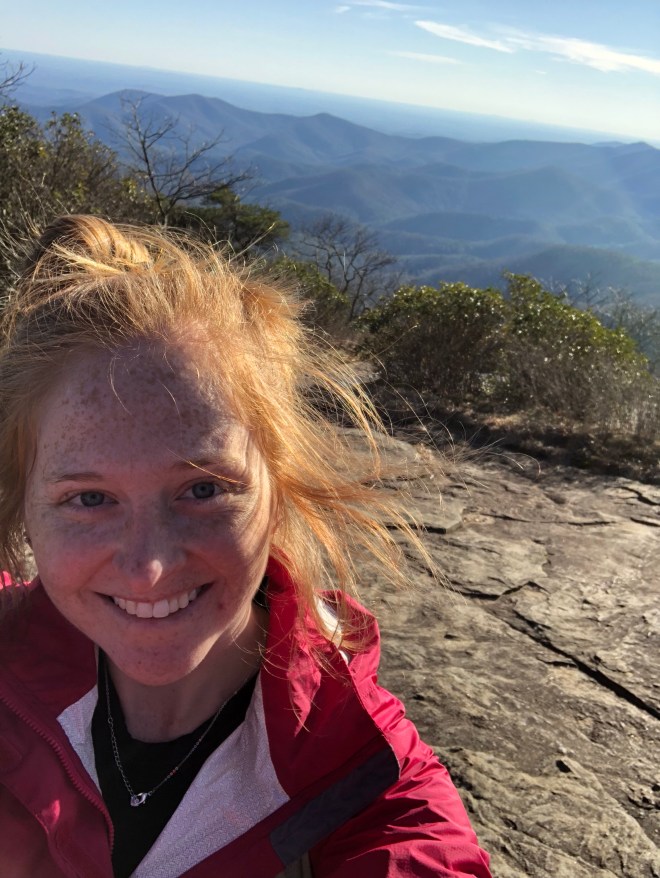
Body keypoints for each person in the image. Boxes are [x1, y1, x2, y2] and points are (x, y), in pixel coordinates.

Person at [0, 215, 491, 878]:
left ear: (278, 486)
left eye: (202, 489)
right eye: (89, 499)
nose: (148, 568)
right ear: (25, 511)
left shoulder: (369, 781)